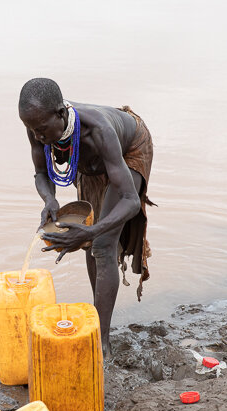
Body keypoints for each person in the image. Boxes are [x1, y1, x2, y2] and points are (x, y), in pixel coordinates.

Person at [18, 78, 155, 357]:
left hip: (127, 150)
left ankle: (101, 344)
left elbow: (129, 201)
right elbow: (42, 173)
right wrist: (50, 200)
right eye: (32, 130)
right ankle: (95, 321)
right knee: (92, 245)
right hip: (88, 159)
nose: (39, 137)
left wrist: (91, 233)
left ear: (60, 114)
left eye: (43, 130)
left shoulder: (99, 130)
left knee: (102, 244)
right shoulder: (39, 127)